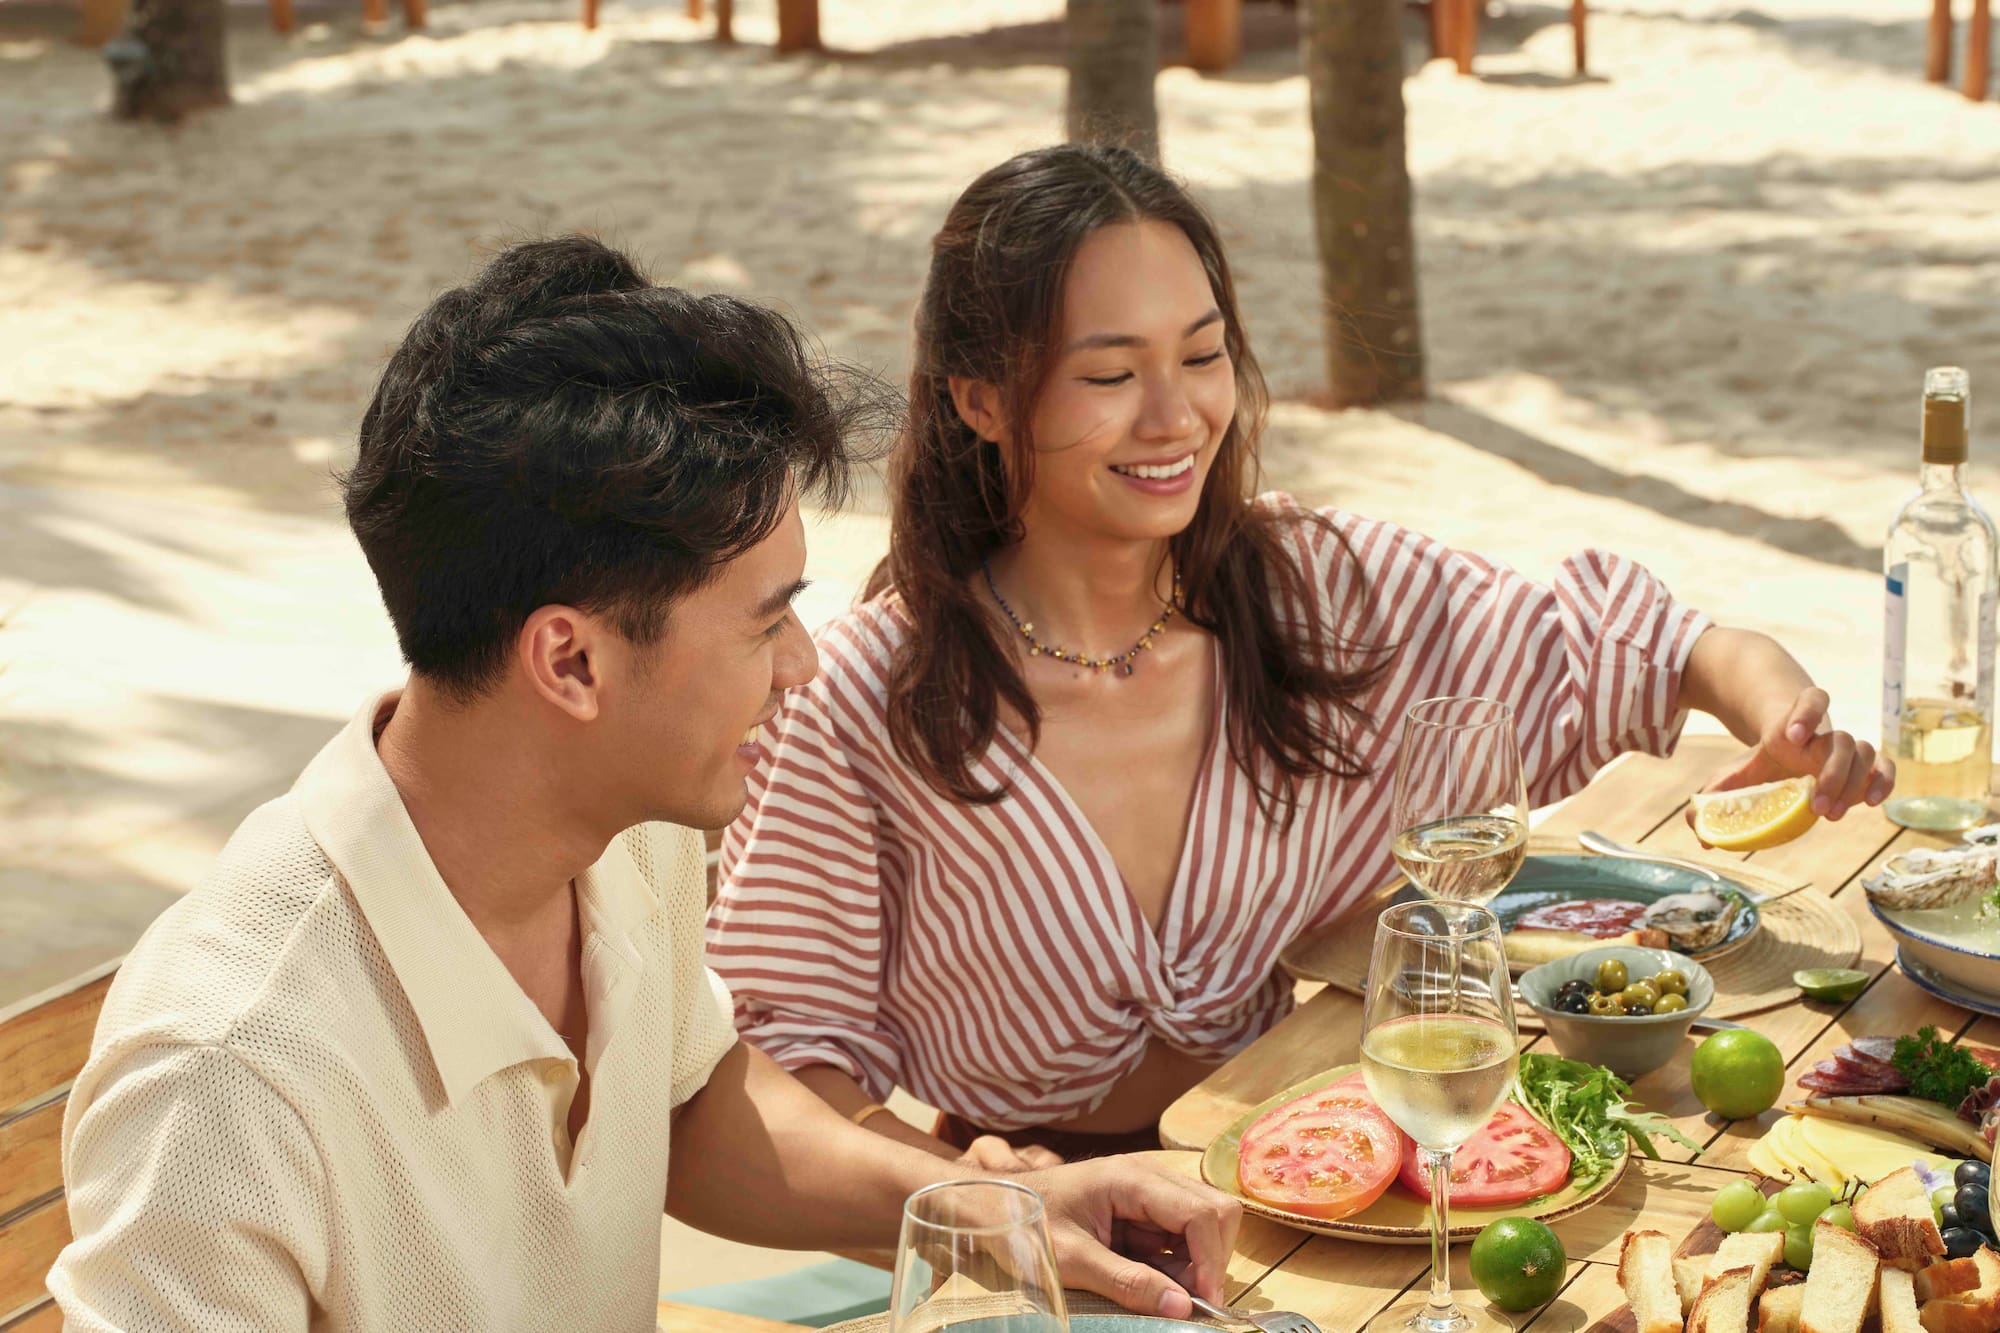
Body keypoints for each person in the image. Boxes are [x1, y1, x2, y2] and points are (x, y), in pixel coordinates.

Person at [47, 235, 1240, 1331]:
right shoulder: (225, 1079)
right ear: (571, 659)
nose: (805, 666)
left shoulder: (623, 830)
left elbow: (689, 1099)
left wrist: (990, 1206)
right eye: (765, 622)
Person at [707, 144, 1896, 1164]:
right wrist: (973, 1198)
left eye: (1204, 354)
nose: (1174, 418)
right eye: (1111, 375)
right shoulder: (856, 699)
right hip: (1044, 1230)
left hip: (1341, 1157)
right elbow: (781, 1062)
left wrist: (1776, 710)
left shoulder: (1316, 592)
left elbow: (1647, 650)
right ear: (977, 399)